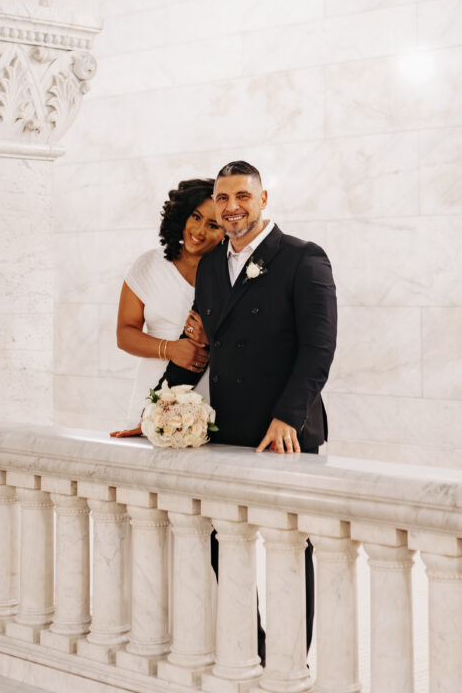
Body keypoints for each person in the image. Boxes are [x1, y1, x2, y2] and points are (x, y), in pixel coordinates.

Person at [153, 160, 337, 663]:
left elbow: (319, 348)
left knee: (290, 548)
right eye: (223, 197)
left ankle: (291, 656)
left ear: (263, 199)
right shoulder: (213, 264)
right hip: (227, 428)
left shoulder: (303, 258)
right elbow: (203, 346)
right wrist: (158, 409)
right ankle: (251, 645)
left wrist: (288, 416)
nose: (231, 207)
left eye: (242, 197)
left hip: (287, 433)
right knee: (222, 539)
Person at [111, 178, 224, 435]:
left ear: (225, 232)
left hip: (211, 392)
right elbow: (124, 334)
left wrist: (212, 338)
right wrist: (171, 349)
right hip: (152, 387)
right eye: (195, 216)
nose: (199, 230)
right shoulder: (148, 265)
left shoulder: (228, 275)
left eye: (213, 225)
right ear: (182, 215)